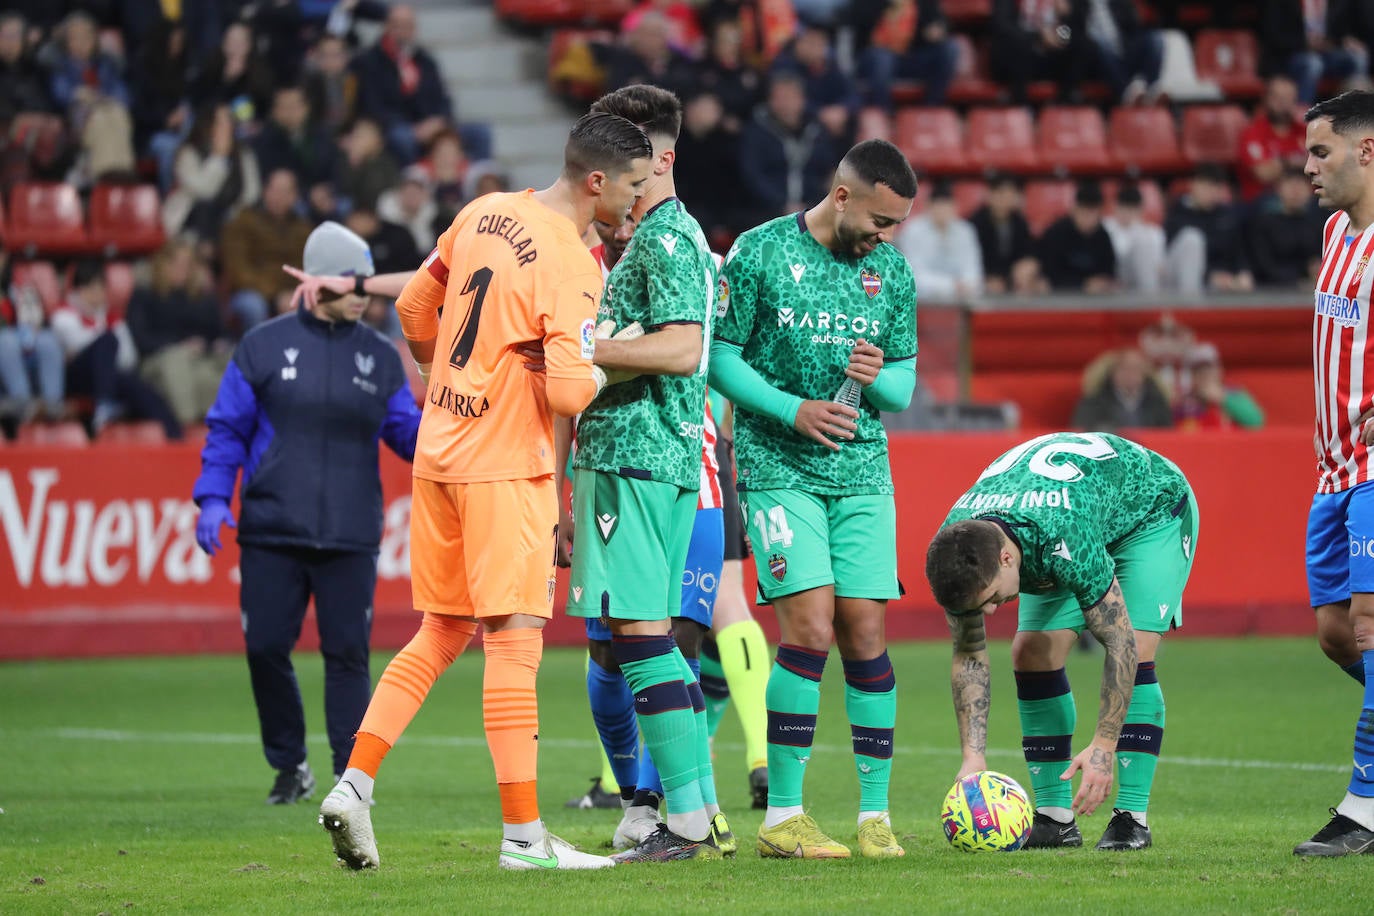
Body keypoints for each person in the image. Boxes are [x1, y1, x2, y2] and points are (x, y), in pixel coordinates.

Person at [316, 110, 652, 872]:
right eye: (633, 186)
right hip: (505, 469)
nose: (639, 200)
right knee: (513, 641)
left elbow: (411, 310)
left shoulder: (484, 210)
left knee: (439, 632)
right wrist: (616, 366)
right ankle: (526, 840)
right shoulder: (569, 261)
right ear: (596, 181)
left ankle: (355, 784)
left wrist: (450, 381)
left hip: (439, 454)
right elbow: (568, 392)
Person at [709, 138, 918, 859]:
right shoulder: (760, 252)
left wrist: (877, 373)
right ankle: (784, 819)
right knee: (811, 628)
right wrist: (792, 408)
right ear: (842, 196)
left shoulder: (890, 273)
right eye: (882, 221)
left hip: (862, 472)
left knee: (865, 631)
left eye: (898, 225)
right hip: (778, 466)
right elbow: (721, 357)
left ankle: (875, 818)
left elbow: (902, 388)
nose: (888, 237)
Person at [192, 222, 421, 807]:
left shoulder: (380, 355)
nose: (365, 296)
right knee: (266, 646)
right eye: (354, 284)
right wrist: (214, 496)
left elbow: (407, 435)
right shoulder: (261, 346)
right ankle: (290, 764)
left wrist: (457, 431)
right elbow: (226, 429)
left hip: (350, 532)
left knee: (347, 656)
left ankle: (351, 780)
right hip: (272, 528)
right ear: (320, 282)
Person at [564, 84, 728, 864]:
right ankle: (690, 812)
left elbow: (682, 348)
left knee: (636, 637)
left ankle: (683, 821)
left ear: (654, 157)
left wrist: (585, 345)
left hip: (634, 457)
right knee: (652, 639)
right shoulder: (673, 235)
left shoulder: (664, 240)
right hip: (662, 460)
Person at [926, 431, 1198, 852]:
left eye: (992, 597)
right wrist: (972, 756)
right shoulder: (957, 545)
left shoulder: (1061, 533)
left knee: (1138, 648)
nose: (993, 611)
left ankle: (1130, 819)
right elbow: (969, 653)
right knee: (1031, 652)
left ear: (1006, 558)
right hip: (1069, 518)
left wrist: (1103, 747)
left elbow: (1119, 645)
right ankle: (1055, 820)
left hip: (1150, 512)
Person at [1294, 89, 1374, 856]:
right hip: (1333, 469)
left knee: (1371, 626)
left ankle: (1364, 807)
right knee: (1333, 635)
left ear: (1367, 151)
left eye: (1321, 151)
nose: (1307, 166)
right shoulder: (1334, 233)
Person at [50, 260, 181, 440]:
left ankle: (175, 437)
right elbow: (79, 346)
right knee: (107, 342)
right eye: (91, 288)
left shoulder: (114, 319)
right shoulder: (63, 315)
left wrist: (100, 327)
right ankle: (104, 406)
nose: (97, 294)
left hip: (109, 377)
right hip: (76, 377)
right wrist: (99, 330)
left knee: (139, 387)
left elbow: (129, 357)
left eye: (100, 288)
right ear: (78, 290)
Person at [895, 178, 983, 301]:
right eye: (938, 205)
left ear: (954, 206)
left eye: (947, 205)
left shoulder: (965, 231)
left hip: (960, 298)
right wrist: (951, 286)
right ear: (928, 206)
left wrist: (967, 285)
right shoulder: (913, 231)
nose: (942, 211)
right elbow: (912, 276)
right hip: (921, 300)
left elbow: (973, 270)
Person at [1072, 348, 1173, 431]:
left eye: (1136, 369)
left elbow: (1167, 434)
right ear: (1112, 372)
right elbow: (1083, 431)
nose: (1130, 374)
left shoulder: (1157, 400)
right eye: (1124, 368)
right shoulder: (1094, 400)